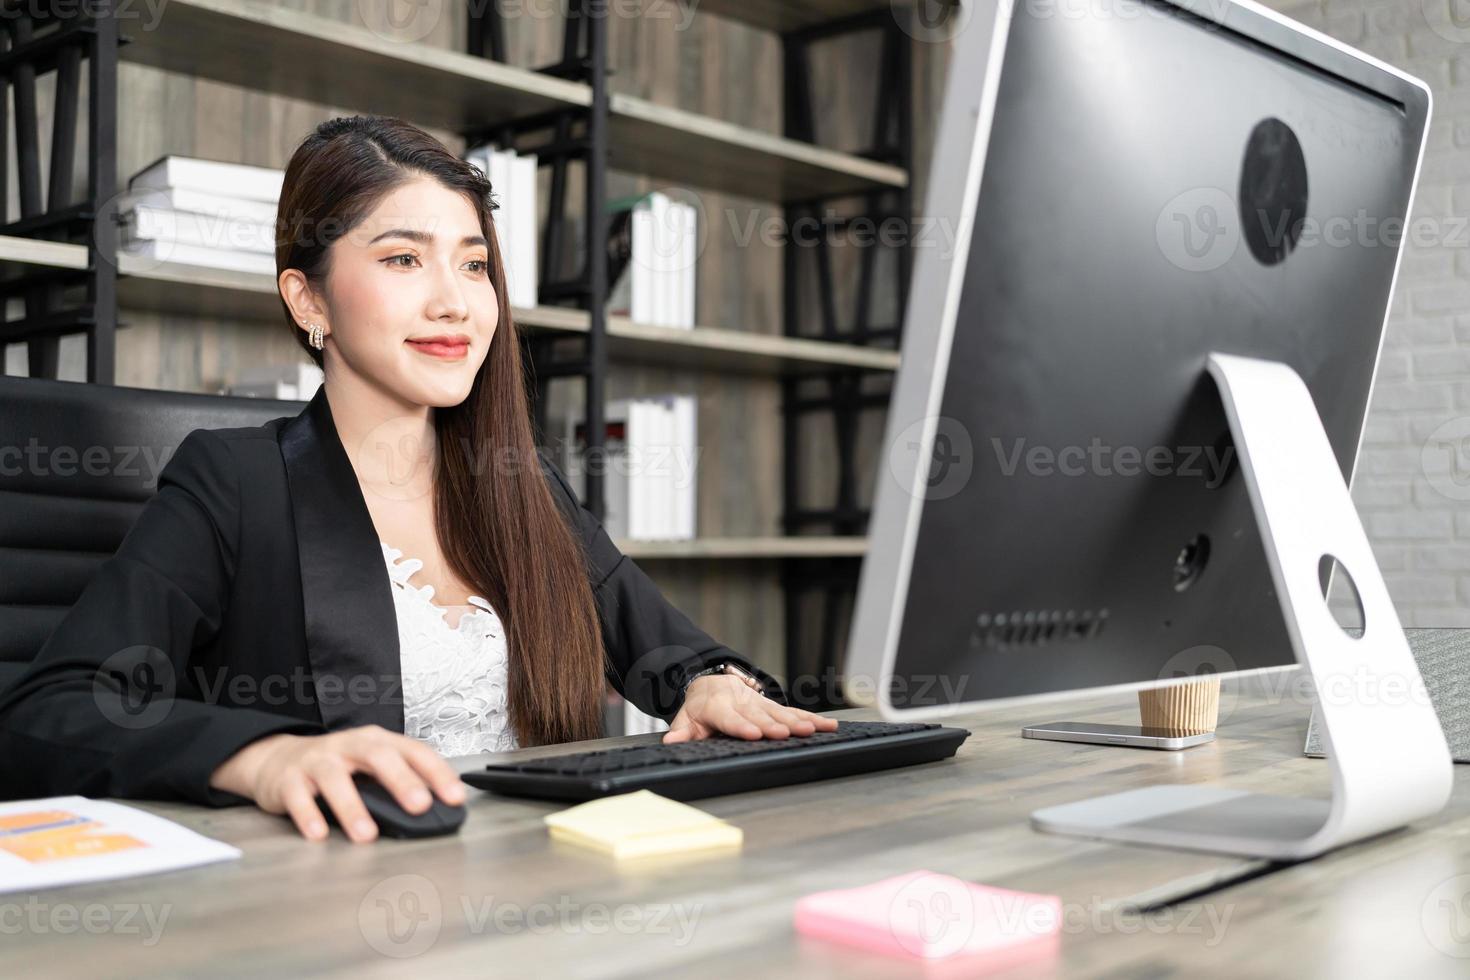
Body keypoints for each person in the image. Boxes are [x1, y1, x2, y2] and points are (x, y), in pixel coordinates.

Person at [0, 115, 836, 843]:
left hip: (551, 895)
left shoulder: (520, 482)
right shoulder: (235, 483)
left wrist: (713, 685)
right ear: (308, 301)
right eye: (404, 259)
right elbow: (50, 712)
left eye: (474, 267)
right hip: (337, 908)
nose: (455, 303)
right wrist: (263, 757)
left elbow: (672, 651)